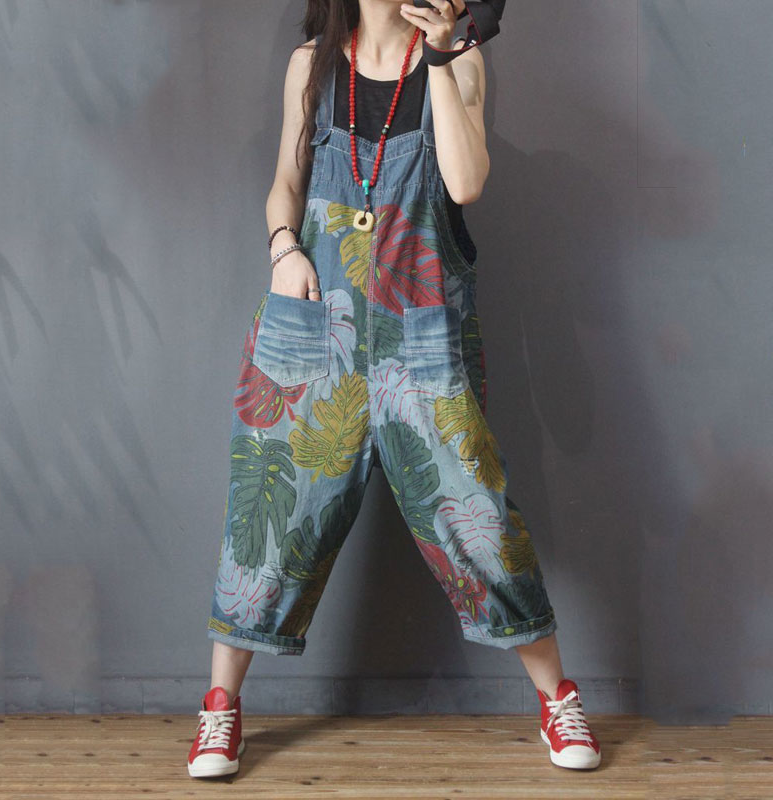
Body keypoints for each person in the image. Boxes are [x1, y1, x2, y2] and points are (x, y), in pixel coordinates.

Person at [187, 0, 601, 779]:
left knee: (478, 518)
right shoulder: (311, 67)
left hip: (423, 338)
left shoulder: (460, 60)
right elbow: (285, 184)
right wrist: (284, 249)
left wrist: (442, 55)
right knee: (268, 522)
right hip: (317, 330)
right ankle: (220, 708)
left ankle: (558, 698)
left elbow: (466, 182)